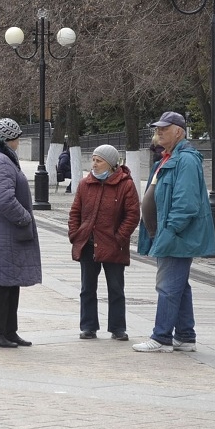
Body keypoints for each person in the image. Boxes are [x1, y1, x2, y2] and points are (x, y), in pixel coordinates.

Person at [133, 112, 215, 353]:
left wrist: (170, 230)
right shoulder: (167, 158)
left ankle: (161, 338)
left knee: (168, 286)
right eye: (157, 129)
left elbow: (186, 202)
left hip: (176, 235)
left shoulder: (186, 160)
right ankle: (185, 336)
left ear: (178, 131)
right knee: (179, 285)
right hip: (167, 233)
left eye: (164, 129)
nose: (159, 132)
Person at [0, 118, 40, 349]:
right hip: (4, 233)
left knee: (11, 282)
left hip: (0, 232)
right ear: (9, 139)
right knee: (2, 285)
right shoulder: (1, 160)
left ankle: (9, 331)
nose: (19, 142)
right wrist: (24, 217)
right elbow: (3, 199)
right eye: (17, 138)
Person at [68, 145, 140, 341]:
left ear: (111, 164)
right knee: (87, 289)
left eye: (99, 161)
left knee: (116, 289)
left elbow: (132, 215)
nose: (94, 164)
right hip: (88, 244)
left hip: (113, 245)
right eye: (93, 159)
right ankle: (88, 327)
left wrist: (119, 237)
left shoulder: (125, 185)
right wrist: (75, 234)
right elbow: (75, 212)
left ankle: (118, 328)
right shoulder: (85, 184)